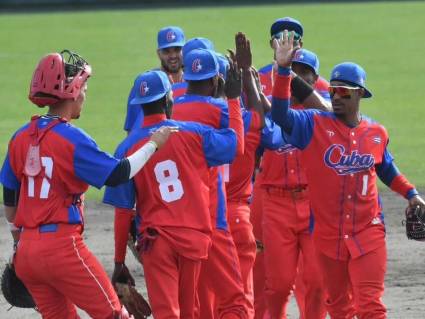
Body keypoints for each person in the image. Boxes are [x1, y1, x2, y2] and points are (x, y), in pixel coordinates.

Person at [0, 50, 174, 318]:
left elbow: (10, 197)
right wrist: (154, 144)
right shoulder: (71, 139)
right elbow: (120, 172)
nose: (85, 96)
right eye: (84, 88)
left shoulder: (19, 137)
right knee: (115, 315)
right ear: (72, 92)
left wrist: (18, 243)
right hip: (62, 249)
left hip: (26, 255)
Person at [271, 31, 425, 319]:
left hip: (369, 232)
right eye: (333, 90)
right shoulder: (312, 125)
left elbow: (386, 167)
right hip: (328, 237)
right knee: (340, 308)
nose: (336, 96)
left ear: (359, 94)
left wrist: (412, 194)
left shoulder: (376, 132)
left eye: (344, 91)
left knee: (370, 307)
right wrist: (282, 71)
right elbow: (280, 116)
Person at [103, 69, 238, 318]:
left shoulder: (126, 148)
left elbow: (123, 211)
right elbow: (233, 145)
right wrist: (233, 99)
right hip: (194, 239)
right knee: (190, 311)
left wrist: (119, 260)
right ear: (168, 99)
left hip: (158, 242)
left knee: (167, 313)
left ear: (139, 106)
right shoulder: (195, 133)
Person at [172, 48, 248, 319]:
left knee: (189, 304)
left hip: (172, 223)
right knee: (234, 301)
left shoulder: (169, 109)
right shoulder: (219, 110)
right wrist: (236, 97)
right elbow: (241, 143)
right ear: (216, 80)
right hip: (210, 217)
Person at [259, 48, 327, 319]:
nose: (298, 77)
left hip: (314, 204)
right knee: (278, 285)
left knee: (318, 282)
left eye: (304, 73)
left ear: (315, 79)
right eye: (293, 71)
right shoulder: (274, 109)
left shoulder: (326, 112)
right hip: (276, 203)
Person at [123, 26, 185, 132]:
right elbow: (132, 130)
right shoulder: (145, 84)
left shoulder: (194, 83)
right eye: (167, 51)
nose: (173, 55)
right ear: (158, 53)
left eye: (177, 49)